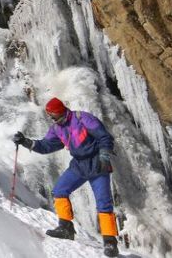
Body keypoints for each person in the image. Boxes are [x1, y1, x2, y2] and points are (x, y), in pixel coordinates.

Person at [13, 97, 119, 258]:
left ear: (60, 111)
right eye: (49, 115)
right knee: (59, 191)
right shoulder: (56, 128)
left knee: (103, 203)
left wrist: (104, 155)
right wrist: (26, 142)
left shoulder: (82, 118)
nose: (51, 118)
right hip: (78, 166)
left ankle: (110, 243)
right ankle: (66, 228)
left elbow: (104, 136)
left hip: (97, 163)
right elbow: (46, 146)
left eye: (52, 114)